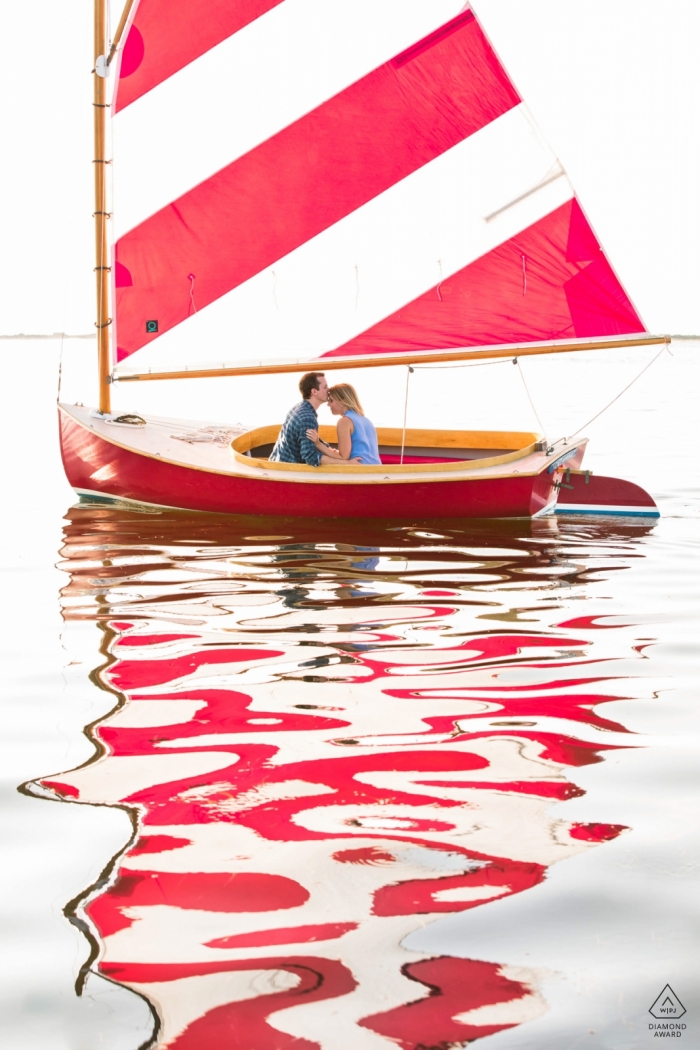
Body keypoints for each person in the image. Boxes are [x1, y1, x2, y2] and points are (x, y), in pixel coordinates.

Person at [269, 372, 361, 466]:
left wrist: (328, 449)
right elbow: (311, 457)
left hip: (276, 463)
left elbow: (311, 440)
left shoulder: (299, 408)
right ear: (314, 392)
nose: (328, 390)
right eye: (325, 387)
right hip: (287, 471)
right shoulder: (307, 418)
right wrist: (346, 463)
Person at [306, 382, 382, 465]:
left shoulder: (344, 421)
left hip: (360, 470)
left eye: (331, 400)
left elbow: (343, 457)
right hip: (377, 469)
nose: (328, 404)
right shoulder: (366, 420)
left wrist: (318, 444)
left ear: (343, 400)